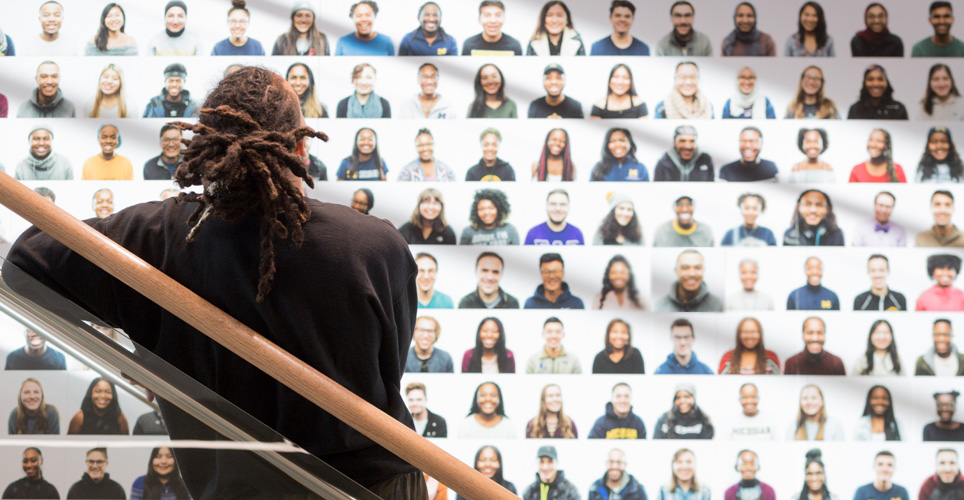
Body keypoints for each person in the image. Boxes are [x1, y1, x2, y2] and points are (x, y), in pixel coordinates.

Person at [4, 66, 425, 496]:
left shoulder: (158, 239)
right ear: (302, 148)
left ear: (207, 146)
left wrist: (136, 352)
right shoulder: (375, 247)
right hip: (375, 485)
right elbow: (389, 367)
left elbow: (24, 264)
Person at [655, 251, 723, 313]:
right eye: (685, 268)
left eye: (697, 267)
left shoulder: (717, 306)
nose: (691, 274)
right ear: (676, 271)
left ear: (703, 270)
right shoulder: (659, 306)